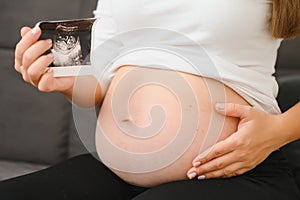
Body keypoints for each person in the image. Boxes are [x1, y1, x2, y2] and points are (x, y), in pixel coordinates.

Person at [1, 0, 300, 199]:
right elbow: (103, 76)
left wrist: (278, 132)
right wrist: (68, 84)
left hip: (234, 172)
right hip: (115, 174)